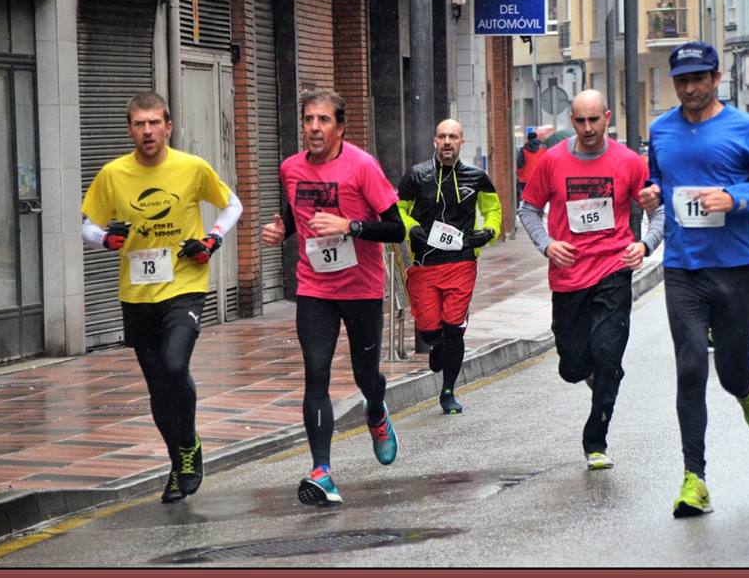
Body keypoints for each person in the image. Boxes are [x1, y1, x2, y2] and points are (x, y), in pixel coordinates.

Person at [639, 41, 749, 518]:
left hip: (736, 267)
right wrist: (652, 195)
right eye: (682, 80)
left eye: (699, 78)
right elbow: (659, 180)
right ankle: (694, 479)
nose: (690, 87)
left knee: (729, 372)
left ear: (716, 79)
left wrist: (733, 197)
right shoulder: (660, 130)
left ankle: (746, 388)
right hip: (683, 268)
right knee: (689, 368)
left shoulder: (743, 128)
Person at [81, 92, 243, 504]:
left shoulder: (191, 168)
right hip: (136, 292)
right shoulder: (113, 174)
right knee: (157, 385)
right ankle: (177, 462)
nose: (147, 131)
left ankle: (188, 447)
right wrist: (105, 239)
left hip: (184, 284)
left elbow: (232, 205)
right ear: (130, 129)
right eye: (139, 124)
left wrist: (212, 239)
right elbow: (88, 226)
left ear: (168, 127)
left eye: (154, 123)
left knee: (175, 365)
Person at [261, 89, 405, 507]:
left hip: (361, 288)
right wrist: (279, 232)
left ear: (340, 128)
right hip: (314, 289)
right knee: (316, 370)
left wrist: (351, 226)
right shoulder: (290, 169)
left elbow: (395, 229)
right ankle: (321, 470)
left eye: (323, 120)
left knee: (365, 376)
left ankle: (376, 411)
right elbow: (295, 219)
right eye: (308, 119)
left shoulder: (362, 166)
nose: (314, 128)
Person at [518, 89, 665, 471]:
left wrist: (645, 246)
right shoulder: (552, 161)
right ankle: (599, 376)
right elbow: (529, 209)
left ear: (607, 117)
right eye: (580, 121)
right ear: (571, 119)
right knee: (572, 366)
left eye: (594, 120)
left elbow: (658, 210)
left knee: (607, 355)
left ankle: (595, 440)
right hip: (568, 277)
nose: (587, 128)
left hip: (613, 270)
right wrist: (547, 245)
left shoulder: (629, 162)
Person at [397, 119, 502, 414]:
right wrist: (411, 228)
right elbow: (397, 210)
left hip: (461, 262)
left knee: (454, 330)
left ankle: (448, 391)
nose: (447, 141)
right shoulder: (416, 176)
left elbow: (492, 210)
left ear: (461, 143)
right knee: (430, 332)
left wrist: (489, 231)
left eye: (453, 137)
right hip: (425, 263)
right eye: (442, 136)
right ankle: (437, 345)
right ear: (434, 141)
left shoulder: (477, 177)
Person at [516, 130, 547, 204]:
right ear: (536, 138)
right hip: (539, 178)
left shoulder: (523, 149)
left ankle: (529, 211)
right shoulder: (544, 149)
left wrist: (519, 174)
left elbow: (519, 163)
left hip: (525, 179)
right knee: (539, 197)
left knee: (527, 199)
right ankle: (539, 211)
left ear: (528, 138)